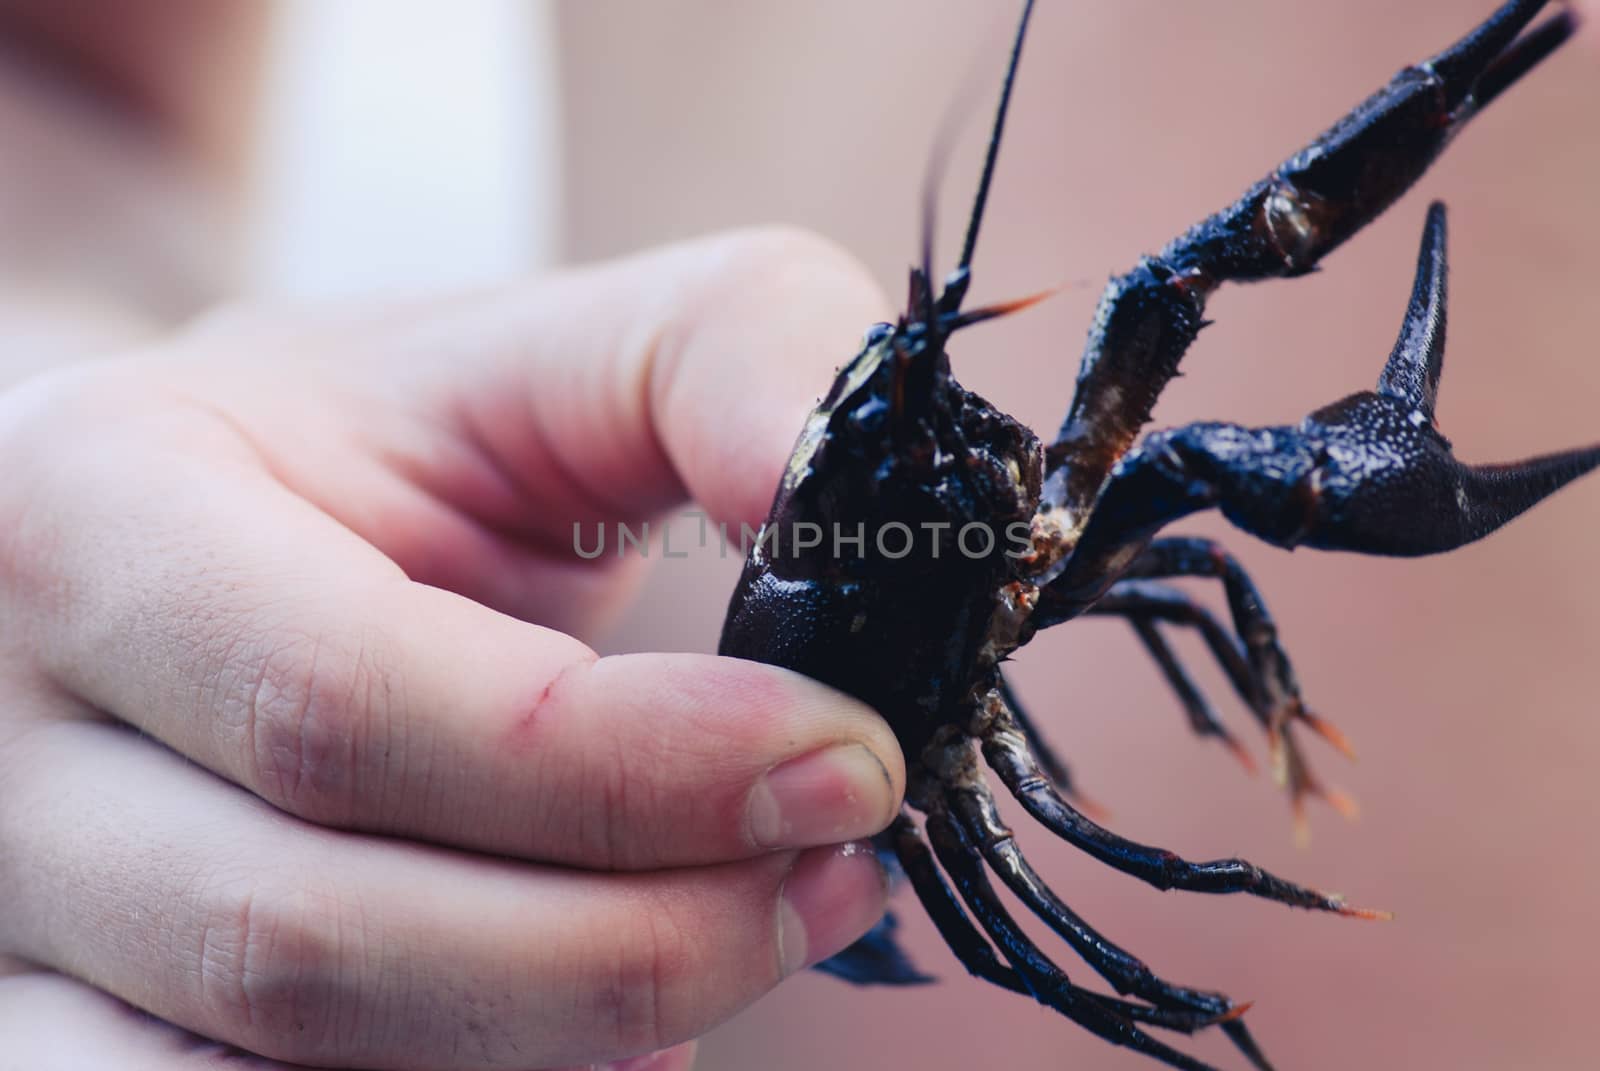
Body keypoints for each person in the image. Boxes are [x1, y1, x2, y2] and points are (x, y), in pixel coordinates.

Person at [1, 5, 1596, 1071]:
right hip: (651, 974)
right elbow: (55, 82)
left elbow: (1172, 435)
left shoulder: (1030, 520)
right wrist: (66, 442)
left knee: (1173, 427)